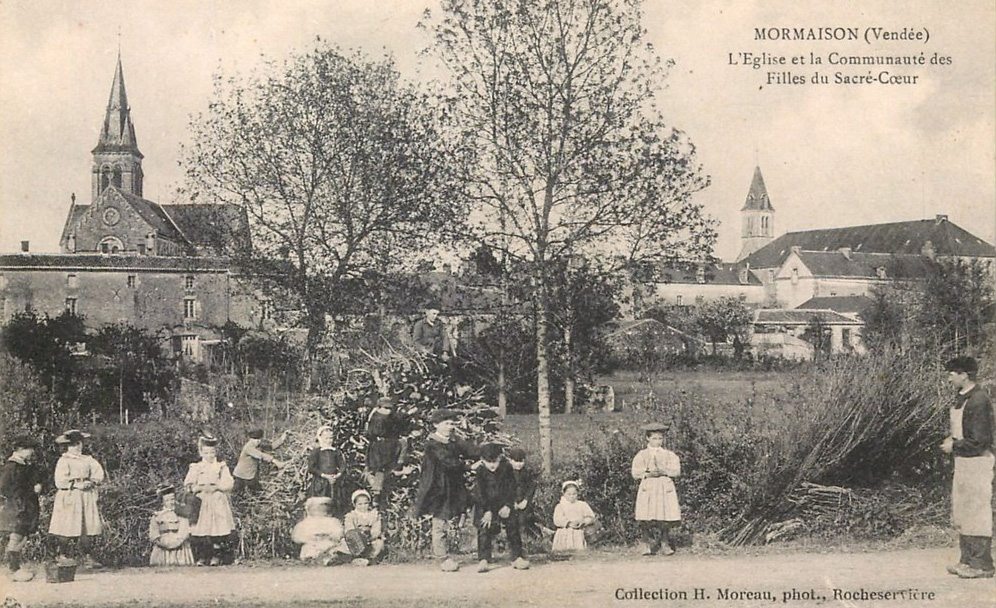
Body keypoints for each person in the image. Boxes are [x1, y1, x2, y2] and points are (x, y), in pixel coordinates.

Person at [942, 356, 994, 579]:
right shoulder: (962, 399)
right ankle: (967, 560)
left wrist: (954, 445)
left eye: (952, 373)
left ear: (965, 375)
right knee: (963, 511)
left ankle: (982, 564)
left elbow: (980, 441)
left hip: (978, 462)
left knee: (977, 512)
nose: (949, 377)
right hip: (964, 461)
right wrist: (954, 441)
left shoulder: (979, 400)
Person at [414, 409, 478, 572]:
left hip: (453, 485)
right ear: (436, 425)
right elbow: (448, 462)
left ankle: (480, 548)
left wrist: (486, 454)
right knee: (440, 521)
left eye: (452, 423)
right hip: (438, 487)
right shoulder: (433, 444)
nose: (450, 427)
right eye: (447, 423)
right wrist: (469, 466)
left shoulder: (453, 440)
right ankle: (441, 558)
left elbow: (470, 450)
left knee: (466, 508)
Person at [48, 429, 105, 568]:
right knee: (67, 525)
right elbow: (60, 481)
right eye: (74, 444)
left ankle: (87, 557)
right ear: (68, 446)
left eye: (79, 443)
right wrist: (76, 485)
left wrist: (92, 482)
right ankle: (62, 555)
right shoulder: (64, 460)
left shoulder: (88, 459)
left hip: (86, 495)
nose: (77, 447)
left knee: (87, 526)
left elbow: (98, 473)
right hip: (70, 494)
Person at [472, 443, 529, 573]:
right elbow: (479, 493)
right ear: (482, 460)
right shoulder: (480, 471)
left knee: (513, 527)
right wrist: (487, 511)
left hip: (503, 503)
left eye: (495, 461)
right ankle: (484, 559)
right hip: (485, 504)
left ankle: (517, 557)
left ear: (501, 458)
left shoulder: (506, 468)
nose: (492, 465)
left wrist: (508, 505)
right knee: (484, 529)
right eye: (488, 462)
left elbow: (512, 488)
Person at [631, 422, 682, 556]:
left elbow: (676, 470)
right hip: (649, 486)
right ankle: (645, 543)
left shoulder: (669, 454)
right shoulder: (642, 454)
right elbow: (635, 472)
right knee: (646, 515)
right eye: (654, 438)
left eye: (660, 438)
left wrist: (664, 471)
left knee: (664, 515)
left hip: (664, 486)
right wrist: (647, 474)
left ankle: (665, 543)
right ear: (647, 438)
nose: (657, 441)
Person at [184, 436, 235, 566]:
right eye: (206, 453)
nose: (209, 455)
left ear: (216, 452)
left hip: (216, 499)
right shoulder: (196, 467)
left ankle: (216, 556)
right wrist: (197, 488)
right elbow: (188, 484)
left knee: (217, 528)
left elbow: (229, 483)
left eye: (212, 452)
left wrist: (218, 487)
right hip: (202, 500)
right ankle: (202, 556)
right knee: (202, 529)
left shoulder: (221, 466)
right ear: (201, 452)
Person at [0, 435, 42, 581]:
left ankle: (14, 568)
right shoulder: (11, 466)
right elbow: (4, 487)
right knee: (16, 535)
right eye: (29, 448)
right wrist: (31, 490)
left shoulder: (24, 465)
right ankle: (13, 569)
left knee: (23, 534)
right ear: (20, 449)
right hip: (17, 506)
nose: (32, 452)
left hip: (26, 505)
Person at [365, 397, 409, 503]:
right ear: (379, 407)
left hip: (388, 447)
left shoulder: (387, 417)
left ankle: (379, 493)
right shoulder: (378, 418)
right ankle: (376, 494)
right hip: (379, 448)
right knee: (379, 470)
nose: (388, 411)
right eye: (385, 408)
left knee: (384, 471)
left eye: (390, 408)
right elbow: (372, 433)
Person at [307, 426, 355, 518]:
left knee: (335, 502)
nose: (329, 440)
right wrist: (324, 475)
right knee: (321, 503)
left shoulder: (336, 451)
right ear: (320, 438)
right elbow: (311, 468)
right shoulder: (317, 452)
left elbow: (342, 465)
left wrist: (338, 475)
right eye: (326, 438)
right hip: (321, 482)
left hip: (334, 481)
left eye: (331, 438)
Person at [148, 484, 194, 567]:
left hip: (180, 549)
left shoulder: (181, 514)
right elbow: (154, 534)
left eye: (172, 499)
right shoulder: (157, 516)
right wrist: (164, 543)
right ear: (163, 502)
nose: (171, 502)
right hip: (162, 549)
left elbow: (184, 531)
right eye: (167, 500)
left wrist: (176, 542)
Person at [291, 497, 344, 566]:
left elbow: (339, 532)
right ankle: (312, 559)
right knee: (310, 549)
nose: (319, 511)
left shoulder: (333, 521)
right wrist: (309, 538)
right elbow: (297, 536)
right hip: (312, 543)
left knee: (332, 549)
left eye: (322, 509)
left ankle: (329, 559)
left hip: (328, 542)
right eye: (316, 509)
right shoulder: (306, 522)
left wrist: (330, 536)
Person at [232, 429, 288, 495]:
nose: (258, 441)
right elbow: (261, 455)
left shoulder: (258, 445)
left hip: (251, 476)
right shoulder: (248, 447)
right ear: (251, 439)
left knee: (258, 493)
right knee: (235, 493)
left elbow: (271, 447)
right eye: (255, 440)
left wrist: (282, 438)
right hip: (240, 476)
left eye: (259, 439)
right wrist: (275, 461)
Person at [338, 489, 385, 566]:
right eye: (360, 504)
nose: (363, 506)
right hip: (355, 540)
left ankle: (369, 559)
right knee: (345, 545)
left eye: (366, 503)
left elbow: (376, 529)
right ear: (354, 504)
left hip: (370, 539)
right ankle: (353, 558)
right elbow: (349, 529)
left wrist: (371, 535)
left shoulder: (374, 514)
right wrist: (358, 534)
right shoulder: (351, 516)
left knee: (379, 544)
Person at [552, 480, 597, 552]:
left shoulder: (582, 505)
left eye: (574, 494)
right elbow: (557, 520)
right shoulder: (560, 506)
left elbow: (590, 516)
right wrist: (568, 523)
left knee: (578, 551)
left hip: (578, 532)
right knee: (563, 551)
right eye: (569, 494)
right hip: (564, 532)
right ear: (564, 494)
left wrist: (583, 522)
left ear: (577, 494)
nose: (572, 496)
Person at [507, 447, 541, 537]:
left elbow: (531, 487)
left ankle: (525, 542)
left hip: (524, 502)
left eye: (521, 461)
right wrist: (511, 502)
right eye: (516, 461)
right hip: (510, 503)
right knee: (511, 522)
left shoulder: (526, 473)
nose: (519, 464)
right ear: (510, 460)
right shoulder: (506, 473)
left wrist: (525, 500)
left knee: (523, 521)